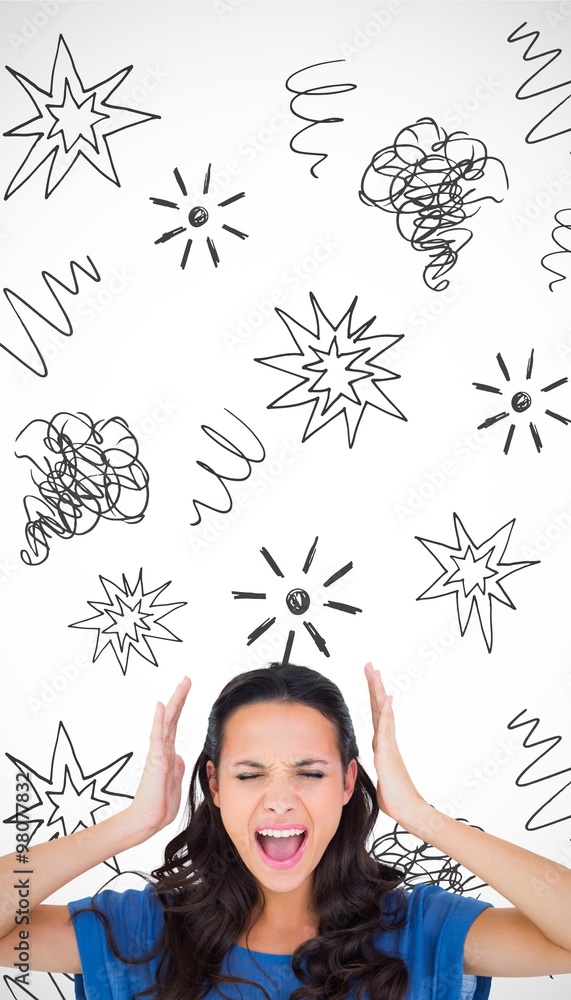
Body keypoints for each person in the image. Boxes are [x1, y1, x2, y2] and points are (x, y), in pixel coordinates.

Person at [0, 662, 570, 1000]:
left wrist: (420, 814)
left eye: (310, 773)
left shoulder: (420, 929)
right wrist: (131, 825)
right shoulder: (145, 930)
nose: (279, 800)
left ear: (349, 783)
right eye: (249, 774)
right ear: (214, 785)